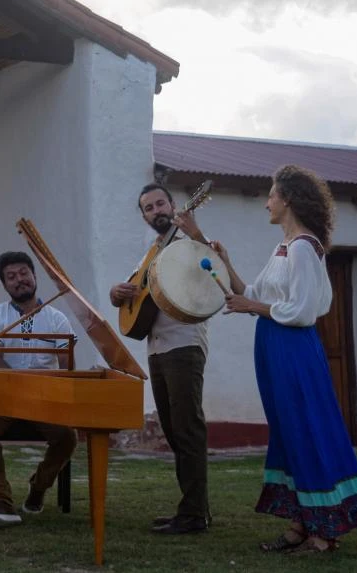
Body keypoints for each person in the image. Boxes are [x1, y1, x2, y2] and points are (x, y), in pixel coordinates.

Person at [214, 165, 357, 554]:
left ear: (287, 199)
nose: (266, 203)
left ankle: (325, 531)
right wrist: (224, 260)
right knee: (288, 431)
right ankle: (301, 524)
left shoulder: (305, 247)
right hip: (273, 344)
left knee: (305, 429)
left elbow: (302, 310)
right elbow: (252, 291)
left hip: (293, 347)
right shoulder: (283, 247)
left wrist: (250, 305)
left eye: (271, 195)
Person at [109, 184, 211, 534]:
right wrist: (116, 292)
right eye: (148, 208)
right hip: (157, 348)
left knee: (187, 429)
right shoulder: (152, 252)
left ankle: (195, 514)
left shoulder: (188, 243)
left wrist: (197, 234)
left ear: (174, 204)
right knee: (173, 430)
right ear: (144, 216)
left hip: (184, 345)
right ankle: (192, 508)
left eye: (160, 203)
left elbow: (213, 274)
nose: (156, 211)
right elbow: (132, 290)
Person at [0, 252, 77, 527]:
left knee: (67, 436)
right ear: (5, 285)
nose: (19, 280)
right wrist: (18, 390)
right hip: (5, 397)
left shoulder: (57, 319)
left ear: (34, 276)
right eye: (11, 277)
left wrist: (40, 390)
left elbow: (67, 367)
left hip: (44, 399)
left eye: (23, 273)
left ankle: (38, 487)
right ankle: (0, 501)